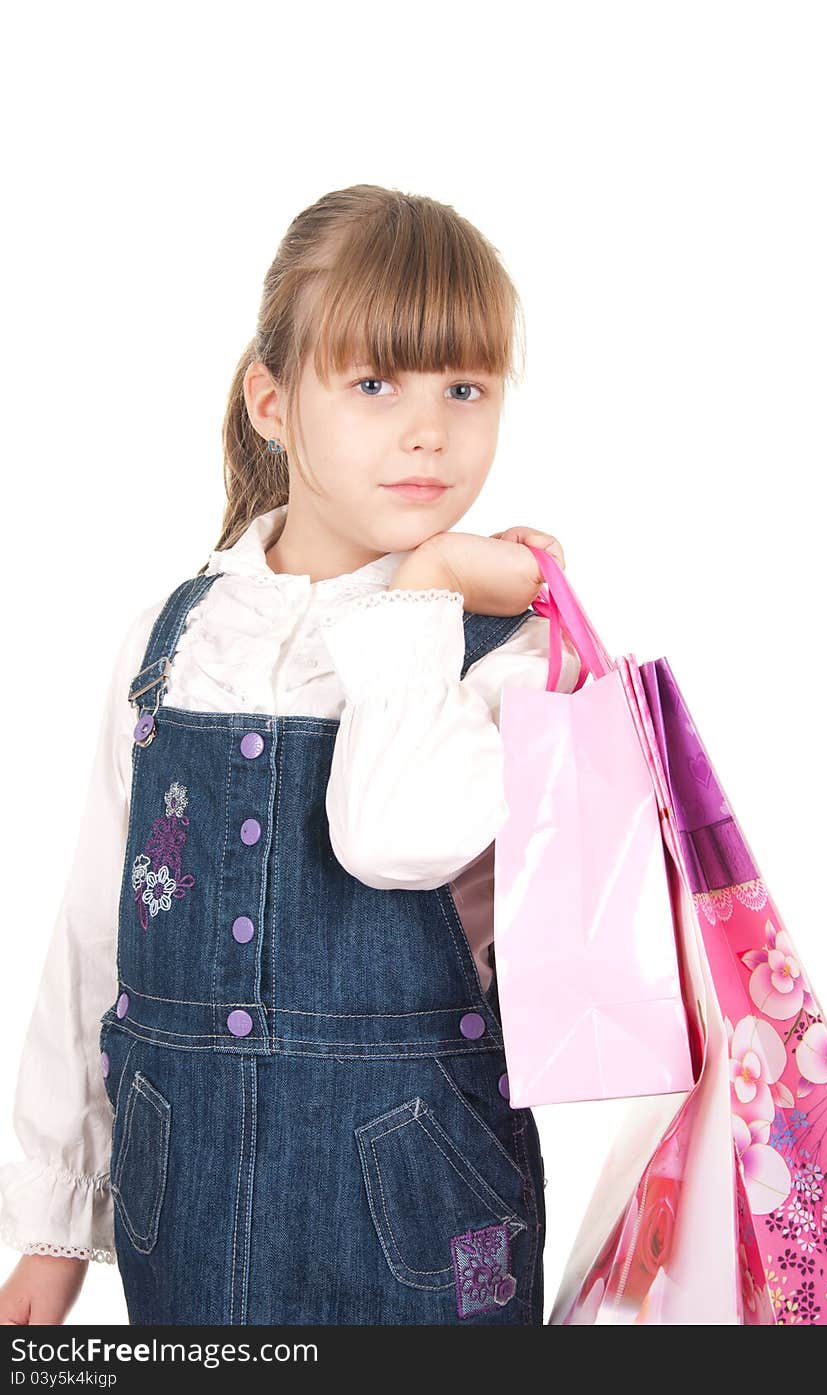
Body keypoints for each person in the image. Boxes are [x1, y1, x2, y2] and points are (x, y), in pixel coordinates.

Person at [0, 184, 580, 1325]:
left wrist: (425, 591)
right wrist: (53, 1221)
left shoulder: (507, 648)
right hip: (187, 1198)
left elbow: (395, 838)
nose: (428, 430)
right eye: (374, 384)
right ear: (272, 403)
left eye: (464, 386)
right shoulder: (178, 637)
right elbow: (94, 939)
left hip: (421, 1210)